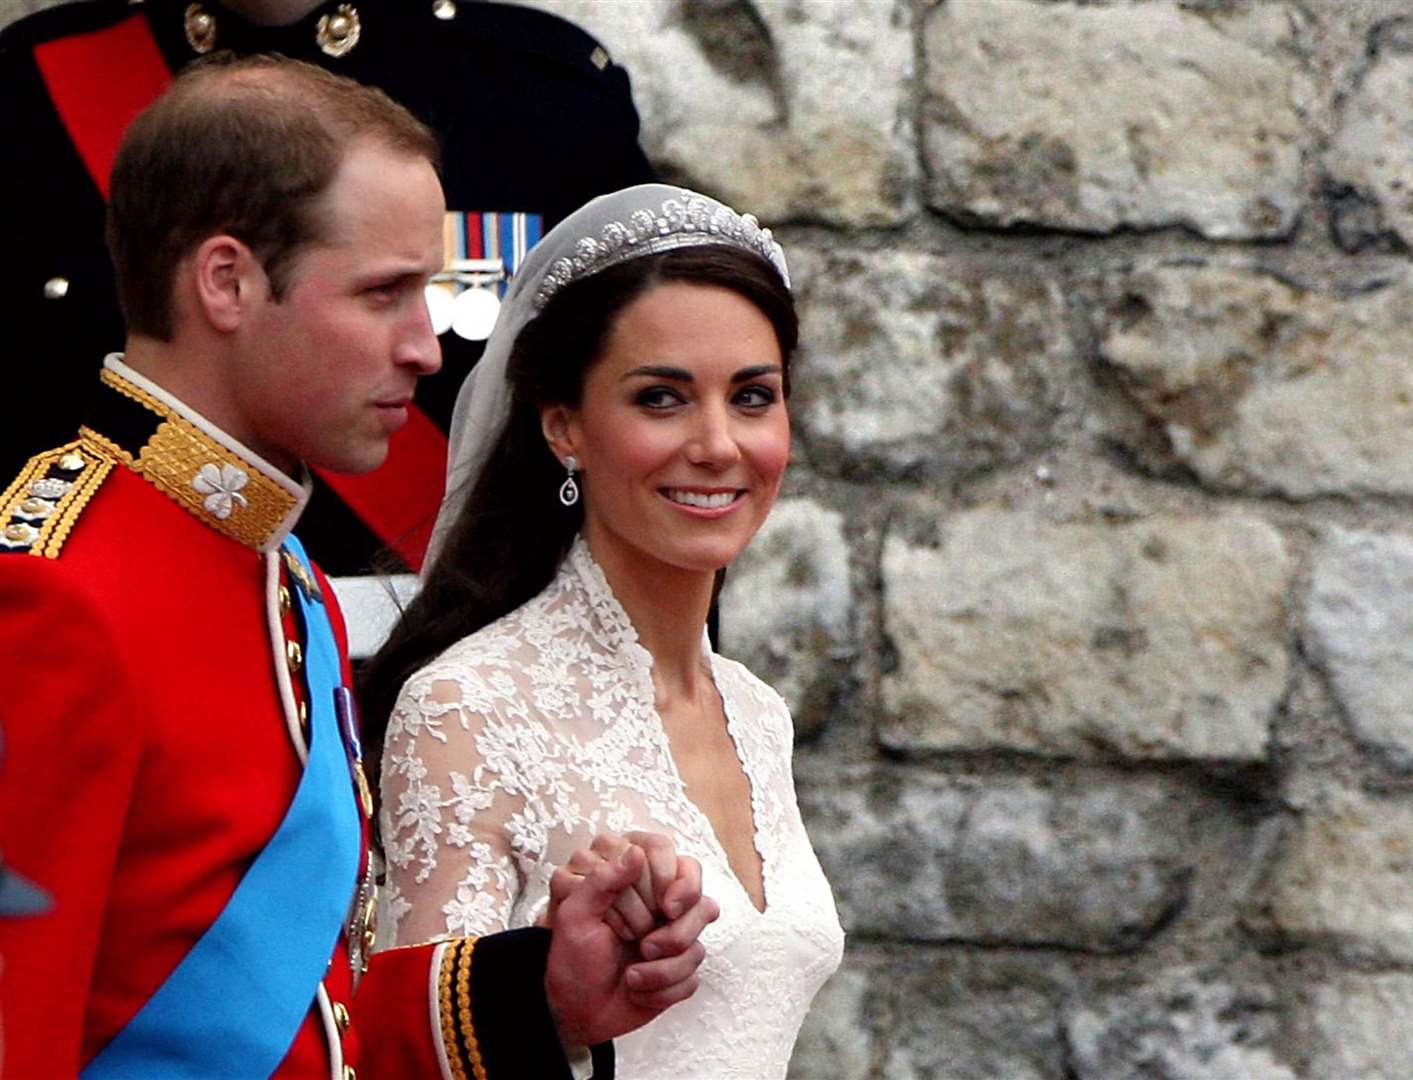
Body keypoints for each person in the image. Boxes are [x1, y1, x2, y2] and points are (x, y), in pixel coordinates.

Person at [0, 57, 716, 1079]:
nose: (427, 348)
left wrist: (545, 991)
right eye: (386, 294)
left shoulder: (279, 573)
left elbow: (307, 1020)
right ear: (228, 282)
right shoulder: (48, 592)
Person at [361, 183, 846, 1078]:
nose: (717, 444)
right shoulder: (466, 708)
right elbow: (408, 1058)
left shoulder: (757, 712)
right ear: (564, 427)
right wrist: (556, 1001)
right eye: (661, 399)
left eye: (752, 397)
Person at [0, 0, 654, 574]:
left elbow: (649, 429)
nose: (422, 349)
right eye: (384, 292)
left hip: (469, 657)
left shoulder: (541, 94)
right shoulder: (27, 96)